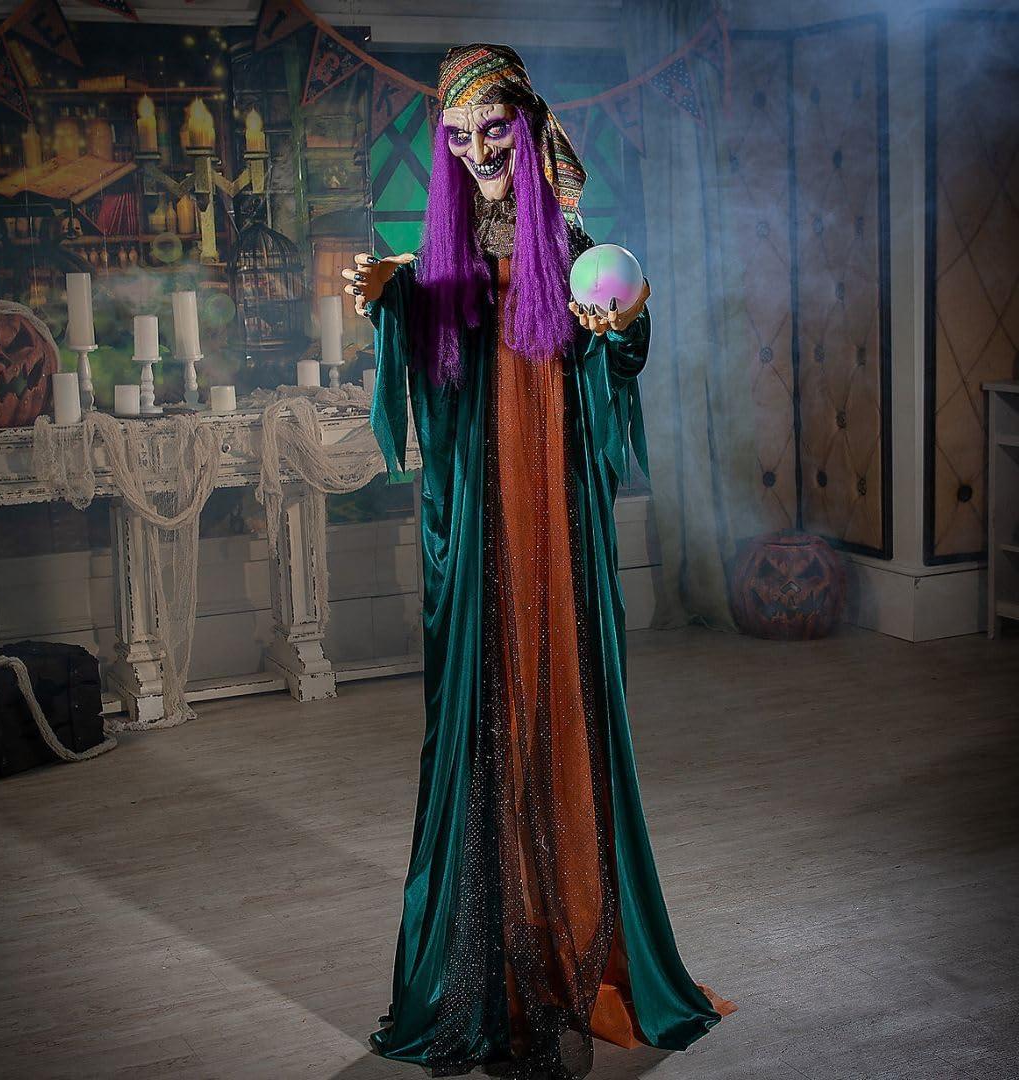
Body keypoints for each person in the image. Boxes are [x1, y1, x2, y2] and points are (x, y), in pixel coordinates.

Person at [343, 42, 733, 1079]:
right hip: (483, 521)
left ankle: (572, 951)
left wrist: (625, 322)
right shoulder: (442, 257)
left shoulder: (571, 242)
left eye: (491, 132)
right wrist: (390, 301)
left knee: (563, 708)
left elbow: (617, 346)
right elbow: (429, 356)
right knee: (486, 718)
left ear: (525, 128)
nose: (475, 152)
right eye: (456, 136)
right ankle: (491, 968)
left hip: (554, 520)